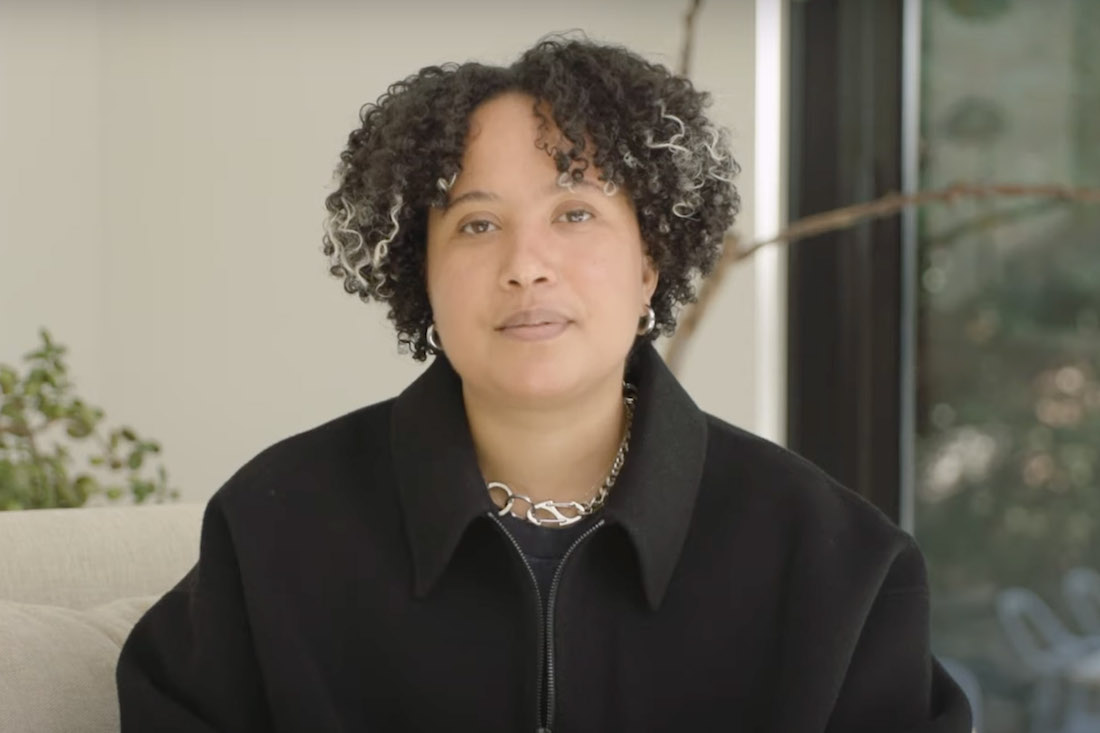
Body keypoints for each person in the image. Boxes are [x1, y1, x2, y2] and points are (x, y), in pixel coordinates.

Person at [116, 35, 972, 733]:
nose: (525, 266)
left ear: (650, 260)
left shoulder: (839, 564)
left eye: (575, 214)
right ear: (423, 275)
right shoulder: (274, 528)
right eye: (478, 223)